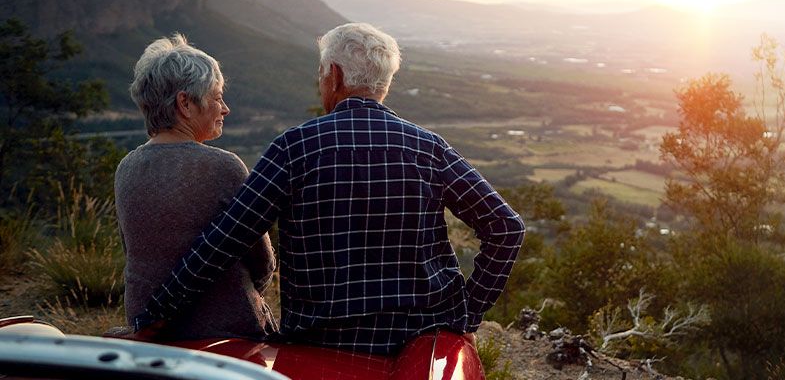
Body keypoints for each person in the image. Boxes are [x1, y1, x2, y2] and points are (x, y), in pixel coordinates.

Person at [131, 23, 525, 355]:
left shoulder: (293, 148)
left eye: (321, 73)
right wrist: (466, 316)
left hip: (319, 346)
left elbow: (222, 244)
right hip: (420, 343)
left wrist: (150, 321)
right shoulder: (429, 148)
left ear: (334, 75)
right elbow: (507, 228)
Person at [114, 34, 276, 340]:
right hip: (226, 337)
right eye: (216, 97)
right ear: (185, 103)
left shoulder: (127, 167)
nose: (225, 108)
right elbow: (263, 263)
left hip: (150, 333)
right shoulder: (223, 166)